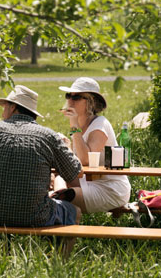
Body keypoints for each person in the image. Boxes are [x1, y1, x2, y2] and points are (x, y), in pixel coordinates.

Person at [0, 85, 82, 229]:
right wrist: (67, 147)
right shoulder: (47, 135)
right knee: (75, 211)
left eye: (5, 107)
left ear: (13, 107)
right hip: (36, 216)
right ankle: (58, 252)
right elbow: (74, 172)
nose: (2, 114)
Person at [53, 77, 131, 213]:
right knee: (54, 178)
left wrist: (74, 124)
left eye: (76, 97)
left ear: (90, 102)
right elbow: (76, 164)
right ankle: (57, 200)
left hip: (109, 187)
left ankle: (56, 201)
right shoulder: (79, 125)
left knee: (59, 189)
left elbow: (85, 160)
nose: (70, 100)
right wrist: (66, 146)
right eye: (68, 96)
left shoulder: (100, 124)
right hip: (89, 182)